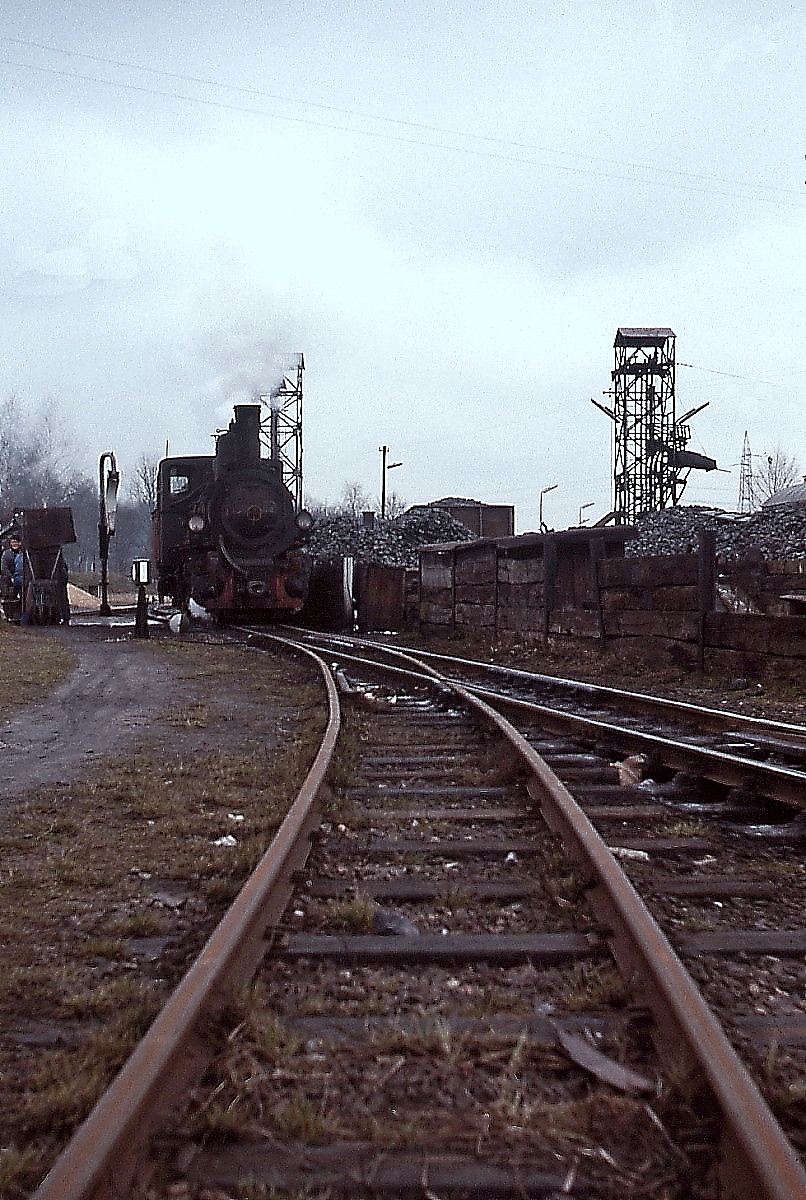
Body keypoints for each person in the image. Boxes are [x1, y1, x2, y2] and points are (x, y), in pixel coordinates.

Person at [1, 532, 24, 601]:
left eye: (16, 542)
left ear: (19, 543)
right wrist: (11, 577)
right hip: (9, 577)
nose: (14, 544)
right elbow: (3, 567)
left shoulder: (22, 554)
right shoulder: (6, 554)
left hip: (20, 577)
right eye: (13, 542)